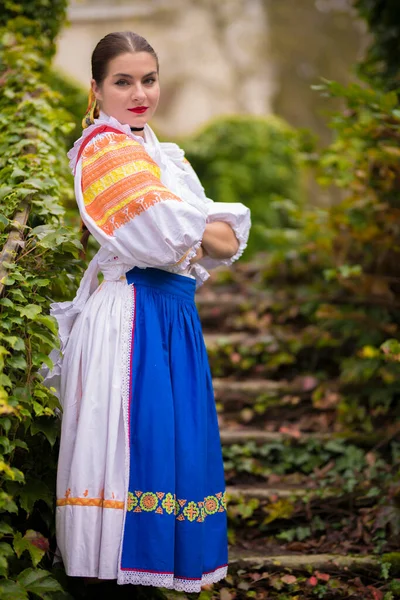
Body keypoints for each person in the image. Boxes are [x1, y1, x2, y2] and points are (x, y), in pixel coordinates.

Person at [49, 31, 250, 593]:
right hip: (130, 317)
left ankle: (153, 571)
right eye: (123, 81)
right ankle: (112, 577)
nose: (139, 93)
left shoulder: (164, 156)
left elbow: (226, 239)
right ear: (96, 89)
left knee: (172, 451)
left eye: (149, 79)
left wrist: (196, 226)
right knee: (131, 452)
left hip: (171, 315)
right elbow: (167, 237)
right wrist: (198, 226)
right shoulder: (104, 149)